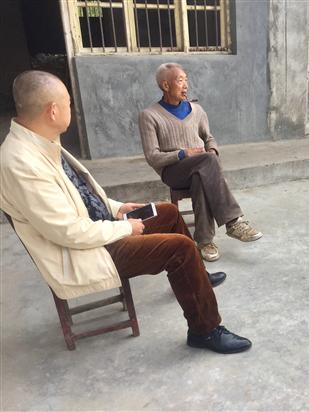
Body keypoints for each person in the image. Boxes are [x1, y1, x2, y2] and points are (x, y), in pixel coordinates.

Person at [0, 70, 251, 354]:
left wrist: (118, 208)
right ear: (53, 111)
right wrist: (125, 227)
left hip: (98, 229)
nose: (72, 108)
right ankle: (204, 331)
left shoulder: (40, 141)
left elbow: (80, 194)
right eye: (69, 103)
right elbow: (67, 232)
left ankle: (196, 277)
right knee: (181, 248)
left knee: (168, 213)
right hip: (87, 250)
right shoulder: (21, 163)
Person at [139, 63, 262, 262]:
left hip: (202, 167)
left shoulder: (197, 110)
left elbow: (209, 138)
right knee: (207, 162)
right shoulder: (149, 115)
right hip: (173, 171)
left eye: (186, 80)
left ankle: (204, 241)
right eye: (180, 80)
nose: (186, 85)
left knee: (200, 176)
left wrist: (212, 150)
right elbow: (152, 157)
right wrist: (182, 154)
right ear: (166, 85)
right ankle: (233, 221)